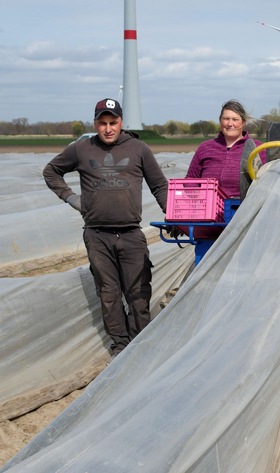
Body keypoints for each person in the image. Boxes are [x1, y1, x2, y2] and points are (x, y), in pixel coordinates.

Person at [43, 98, 169, 358]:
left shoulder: (138, 148)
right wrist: (72, 198)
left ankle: (141, 344)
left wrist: (176, 215)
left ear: (122, 122)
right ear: (95, 124)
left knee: (138, 291)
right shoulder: (81, 148)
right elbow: (51, 171)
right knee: (109, 293)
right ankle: (120, 346)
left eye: (113, 122)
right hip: (97, 235)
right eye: (103, 123)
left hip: (131, 234)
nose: (108, 128)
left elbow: (159, 185)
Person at [185, 100, 267, 199]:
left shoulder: (257, 148)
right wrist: (195, 198)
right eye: (226, 119)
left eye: (235, 119)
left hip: (242, 209)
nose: (230, 123)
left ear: (243, 122)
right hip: (208, 209)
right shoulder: (205, 147)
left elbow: (267, 183)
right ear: (220, 121)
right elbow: (191, 179)